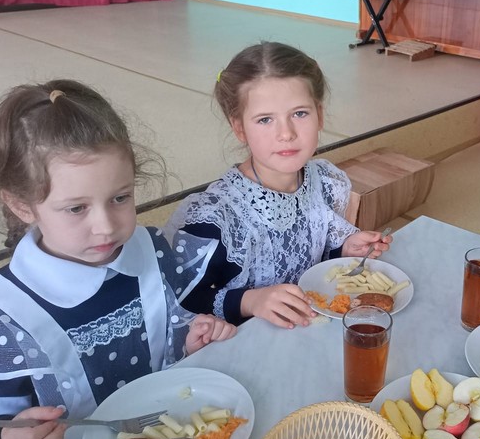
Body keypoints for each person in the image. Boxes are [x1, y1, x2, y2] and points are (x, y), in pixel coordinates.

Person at [0, 80, 236, 439]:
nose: (106, 227)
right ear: (22, 205)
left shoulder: (151, 250)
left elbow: (168, 334)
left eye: (120, 198)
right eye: (76, 208)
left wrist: (191, 342)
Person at [165, 41, 391, 328]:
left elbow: (313, 250)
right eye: (265, 119)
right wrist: (251, 301)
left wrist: (344, 249)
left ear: (320, 115)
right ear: (239, 128)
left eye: (299, 114)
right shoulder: (215, 218)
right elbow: (182, 300)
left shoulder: (323, 181)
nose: (286, 133)